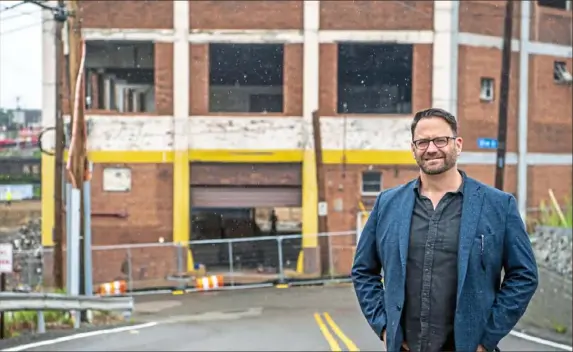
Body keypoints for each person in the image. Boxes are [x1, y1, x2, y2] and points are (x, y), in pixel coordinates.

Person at [351, 108, 538, 352]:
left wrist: (486, 339)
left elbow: (524, 276)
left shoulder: (499, 205)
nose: (431, 149)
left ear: (457, 144)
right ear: (413, 148)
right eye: (423, 142)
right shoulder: (387, 204)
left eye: (441, 140)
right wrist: (385, 327)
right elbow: (363, 271)